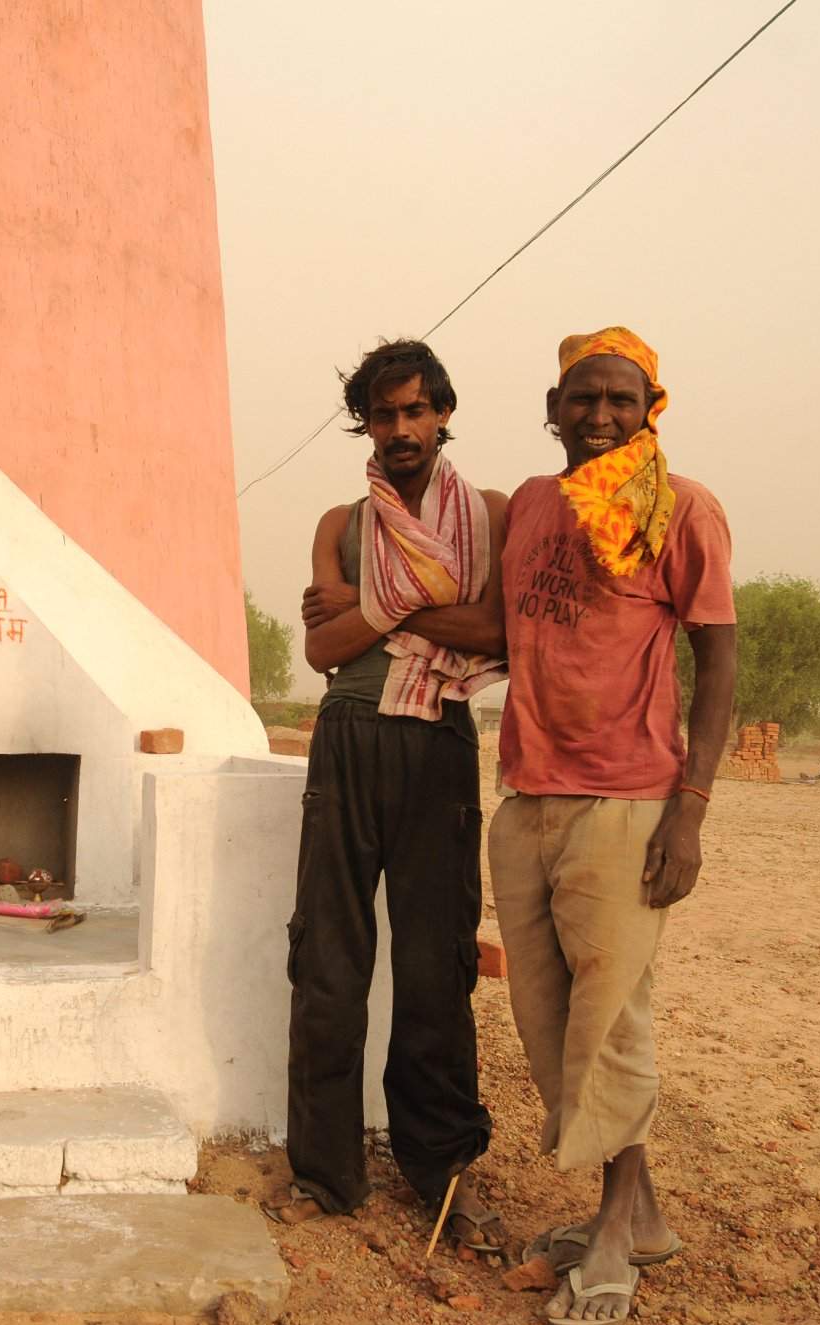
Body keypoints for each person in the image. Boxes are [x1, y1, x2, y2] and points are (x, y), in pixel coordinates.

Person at [490, 327, 736, 1325]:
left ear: (650, 409)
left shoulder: (684, 509)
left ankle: (607, 1235)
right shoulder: (529, 507)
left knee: (612, 1022)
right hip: (526, 795)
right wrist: (361, 613)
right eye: (579, 399)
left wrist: (690, 810)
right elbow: (495, 627)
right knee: (545, 1022)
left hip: (629, 799)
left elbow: (717, 663)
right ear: (552, 408)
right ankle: (639, 1215)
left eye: (618, 400)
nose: (597, 416)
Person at [272, 339, 509, 1249]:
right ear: (364, 423)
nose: (401, 428)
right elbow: (326, 655)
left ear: (443, 411)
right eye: (384, 413)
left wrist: (376, 604)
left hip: (438, 745)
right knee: (328, 961)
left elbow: (498, 631)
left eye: (416, 410)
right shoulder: (340, 521)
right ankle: (325, 1171)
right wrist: (427, 607)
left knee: (436, 968)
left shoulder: (487, 514)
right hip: (349, 739)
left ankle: (441, 1171)